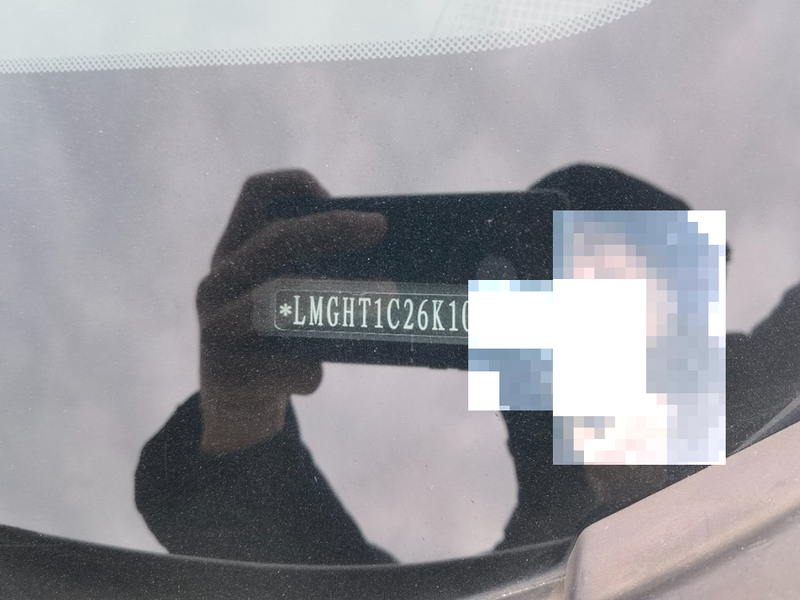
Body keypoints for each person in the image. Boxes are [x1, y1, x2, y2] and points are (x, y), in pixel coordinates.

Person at [135, 164, 800, 564]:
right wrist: (241, 419)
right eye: (544, 281)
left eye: (628, 282)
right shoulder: (525, 572)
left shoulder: (784, 395)